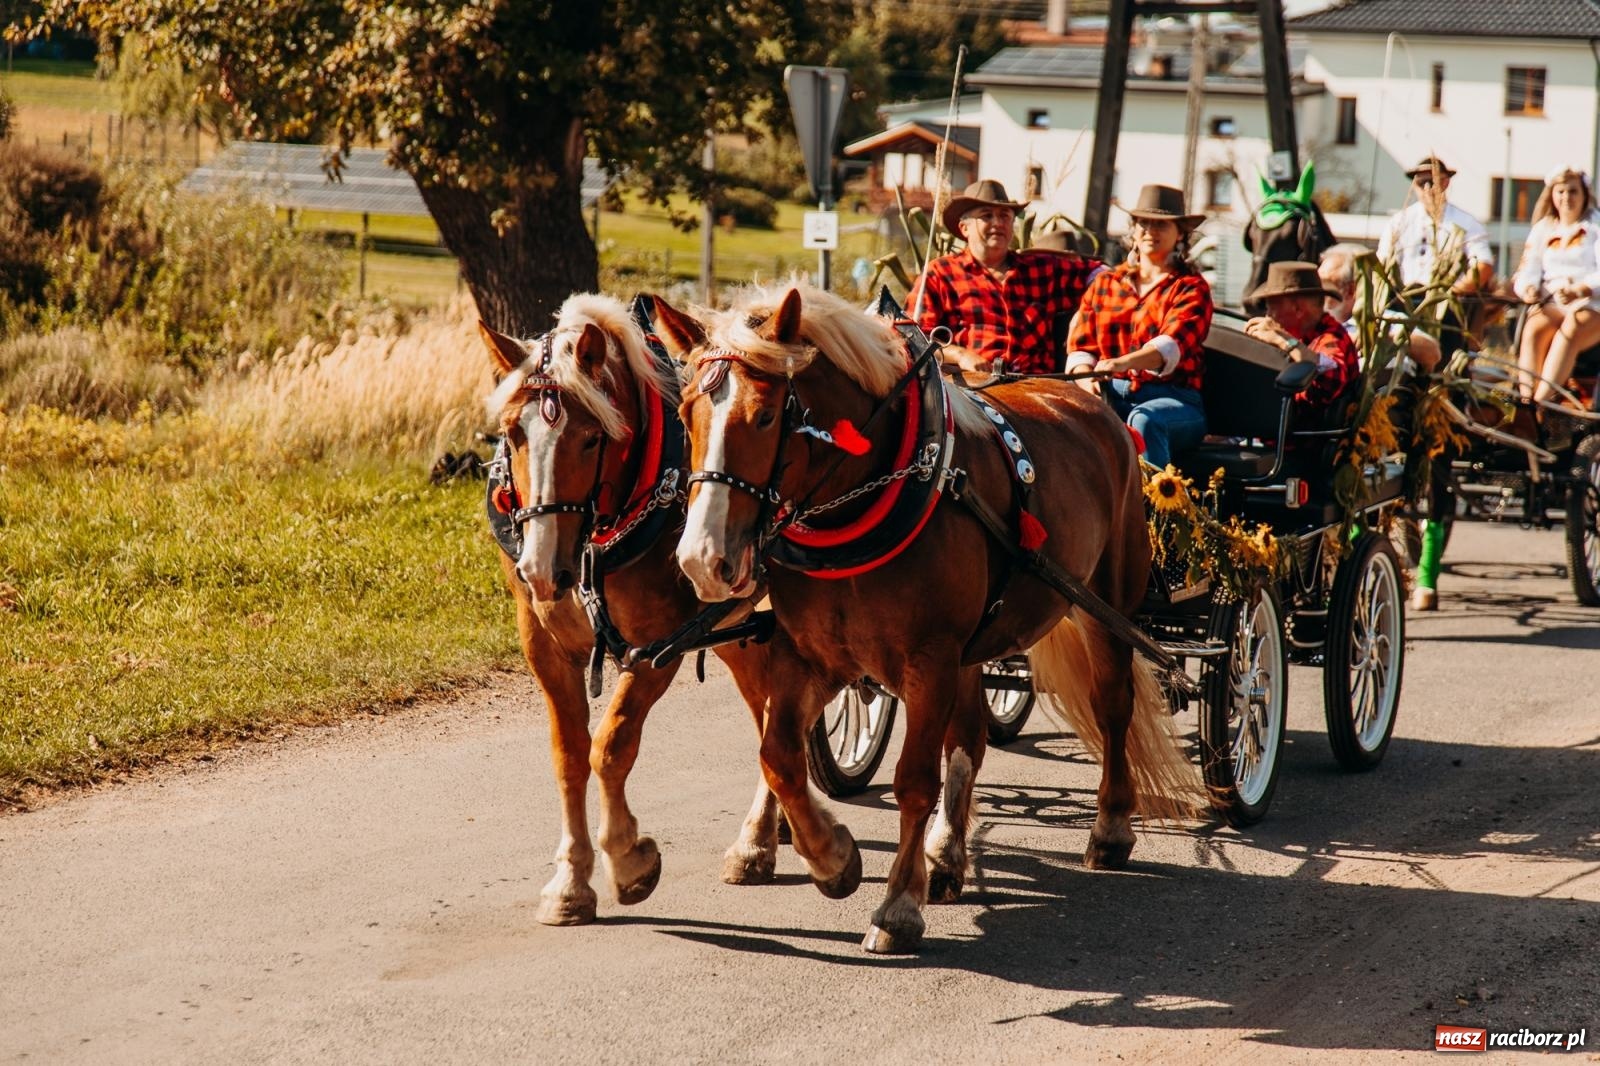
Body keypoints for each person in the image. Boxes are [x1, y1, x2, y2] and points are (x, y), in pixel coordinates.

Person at [1067, 184, 1214, 468]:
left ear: (1180, 234)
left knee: (1145, 419)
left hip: (1175, 400)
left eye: (1161, 224)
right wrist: (1086, 381)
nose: (1150, 231)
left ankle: (1151, 509)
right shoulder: (1105, 284)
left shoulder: (1191, 288)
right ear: (1133, 231)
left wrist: (1121, 363)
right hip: (1109, 394)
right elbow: (1081, 347)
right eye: (1143, 223)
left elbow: (1169, 347)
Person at [910, 179, 1102, 375]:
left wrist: (1084, 316)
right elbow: (914, 337)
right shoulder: (940, 273)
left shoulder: (1041, 268)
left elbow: (1102, 275)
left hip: (1038, 387)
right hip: (971, 389)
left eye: (1005, 216)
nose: (998, 223)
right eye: (986, 216)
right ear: (964, 228)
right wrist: (961, 355)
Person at [1375, 156, 1494, 360]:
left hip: (1446, 304)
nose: (1428, 188)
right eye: (1422, 183)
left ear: (1446, 182)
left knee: (1449, 340)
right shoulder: (1399, 222)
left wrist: (1453, 291)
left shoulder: (1465, 223)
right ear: (1414, 186)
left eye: (1434, 182)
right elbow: (1381, 264)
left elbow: (1483, 265)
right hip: (1402, 301)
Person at [1511, 167, 1600, 404]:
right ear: (1552, 194)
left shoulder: (1596, 227)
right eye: (1561, 191)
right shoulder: (1543, 229)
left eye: (1573, 191)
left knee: (1569, 331)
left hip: (1590, 302)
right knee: (1533, 330)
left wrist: (1581, 289)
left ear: (1584, 195)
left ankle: (1540, 404)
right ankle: (1525, 401)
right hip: (1553, 300)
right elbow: (1528, 268)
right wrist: (1528, 288)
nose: (1566, 198)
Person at [1243, 261, 1361, 422]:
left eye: (1271, 308)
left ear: (1298, 309)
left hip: (1304, 443)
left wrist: (1283, 339)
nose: (1268, 316)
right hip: (1277, 435)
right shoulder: (1305, 337)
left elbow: (1330, 380)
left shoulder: (1332, 338)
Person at [1319, 244, 1442, 372]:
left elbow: (1433, 354)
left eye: (1324, 284)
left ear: (1351, 290)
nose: (1316, 291)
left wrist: (1380, 338)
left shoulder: (1387, 321)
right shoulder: (1313, 324)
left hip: (1381, 390)